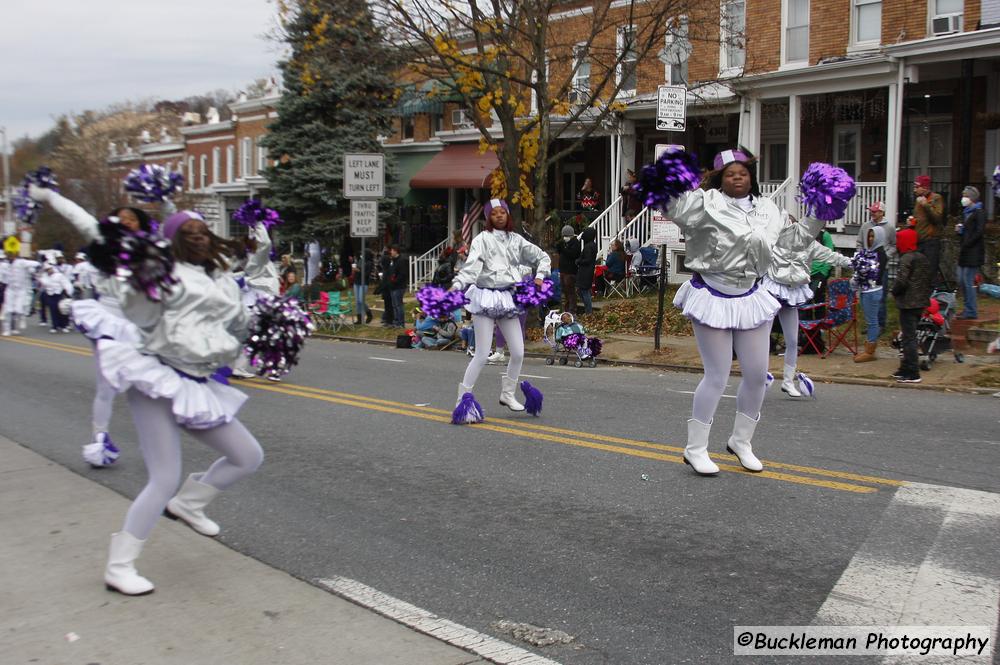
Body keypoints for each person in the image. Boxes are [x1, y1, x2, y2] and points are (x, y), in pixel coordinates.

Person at [102, 210, 265, 595]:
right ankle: (119, 565)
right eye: (188, 233)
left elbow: (240, 325)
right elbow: (136, 312)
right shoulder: (162, 274)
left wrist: (272, 323)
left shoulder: (222, 280)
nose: (199, 238)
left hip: (196, 383)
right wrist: (143, 277)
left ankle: (189, 504)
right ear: (174, 241)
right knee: (163, 478)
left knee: (248, 456)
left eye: (202, 231)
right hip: (157, 381)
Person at [667, 148, 829, 476]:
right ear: (719, 178)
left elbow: (795, 241)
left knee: (757, 376)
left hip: (752, 296)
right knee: (718, 375)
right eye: (729, 173)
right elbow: (674, 208)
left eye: (742, 172)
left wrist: (822, 210)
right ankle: (695, 448)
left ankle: (741, 442)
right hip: (711, 295)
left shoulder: (768, 209)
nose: (737, 177)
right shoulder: (703, 203)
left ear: (751, 176)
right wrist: (669, 176)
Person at [29, 186, 160, 468]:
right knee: (107, 385)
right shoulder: (102, 240)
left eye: (132, 218)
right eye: (120, 217)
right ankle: (99, 439)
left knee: (145, 386)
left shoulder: (153, 251)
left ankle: (157, 442)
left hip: (140, 325)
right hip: (108, 321)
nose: (125, 221)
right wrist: (49, 196)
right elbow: (76, 215)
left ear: (141, 224)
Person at [451, 198, 550, 418]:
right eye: (494, 213)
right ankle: (462, 400)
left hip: (507, 298)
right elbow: (471, 268)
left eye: (502, 212)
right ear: (488, 218)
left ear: (508, 215)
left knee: (518, 352)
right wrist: (456, 286)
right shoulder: (482, 239)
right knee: (483, 353)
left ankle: (508, 393)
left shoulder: (516, 240)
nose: (499, 216)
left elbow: (543, 257)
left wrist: (540, 277)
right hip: (485, 297)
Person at [762, 220, 852, 396]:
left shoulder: (810, 245)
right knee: (763, 338)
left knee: (793, 340)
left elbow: (831, 256)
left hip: (792, 293)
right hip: (771, 290)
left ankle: (788, 381)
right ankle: (760, 376)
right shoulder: (773, 240)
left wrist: (854, 262)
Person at [891, 228, 932, 383]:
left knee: (909, 338)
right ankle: (904, 368)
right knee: (909, 336)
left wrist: (894, 291)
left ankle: (912, 371)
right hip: (920, 302)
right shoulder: (923, 258)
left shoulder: (906, 258)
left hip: (908, 303)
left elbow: (902, 280)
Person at [855, 201, 896, 331]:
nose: (872, 213)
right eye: (871, 211)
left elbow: (894, 245)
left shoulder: (889, 227)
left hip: (881, 267)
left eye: (875, 211)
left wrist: (886, 256)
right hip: (867, 266)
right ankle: (871, 324)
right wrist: (862, 256)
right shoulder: (866, 226)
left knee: (881, 296)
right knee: (866, 295)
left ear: (882, 212)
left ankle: (881, 324)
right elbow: (859, 242)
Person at [852, 226, 889, 363]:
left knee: (872, 321)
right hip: (866, 290)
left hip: (872, 291)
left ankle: (870, 350)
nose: (871, 239)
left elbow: (874, 275)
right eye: (869, 236)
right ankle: (869, 347)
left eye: (873, 236)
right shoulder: (869, 252)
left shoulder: (880, 254)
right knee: (869, 320)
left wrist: (861, 273)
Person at [955, 185, 985, 319]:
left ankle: (971, 310)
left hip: (973, 251)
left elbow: (979, 232)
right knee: (961, 279)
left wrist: (968, 242)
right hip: (964, 251)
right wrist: (960, 230)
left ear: (972, 198)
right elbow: (965, 230)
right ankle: (967, 307)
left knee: (968, 280)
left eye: (966, 196)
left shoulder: (979, 212)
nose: (964, 199)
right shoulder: (966, 212)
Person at [911, 175, 945, 285]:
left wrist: (926, 205)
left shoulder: (936, 198)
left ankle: (931, 299)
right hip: (919, 240)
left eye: (917, 187)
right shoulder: (917, 200)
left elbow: (937, 218)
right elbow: (919, 219)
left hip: (931, 241)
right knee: (918, 271)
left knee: (930, 272)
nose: (914, 189)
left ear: (924, 187)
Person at [0, 251, 40, 336]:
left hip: (21, 290)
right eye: (8, 255)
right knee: (8, 310)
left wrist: (35, 269)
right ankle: (7, 330)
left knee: (18, 309)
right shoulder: (4, 265)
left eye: (11, 255)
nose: (9, 256)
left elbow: (36, 264)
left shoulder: (21, 262)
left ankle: (22, 318)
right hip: (10, 289)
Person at [37, 262, 74, 333]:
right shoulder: (45, 277)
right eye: (47, 270)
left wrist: (68, 292)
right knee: (53, 311)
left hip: (59, 295)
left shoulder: (59, 275)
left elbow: (66, 283)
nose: (49, 271)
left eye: (49, 269)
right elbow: (43, 282)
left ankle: (64, 326)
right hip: (50, 295)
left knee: (61, 310)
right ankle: (55, 326)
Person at [556, 225, 580, 315]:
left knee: (570, 292)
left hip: (570, 272)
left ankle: (572, 310)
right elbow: (561, 253)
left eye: (566, 236)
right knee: (565, 292)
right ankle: (566, 310)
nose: (565, 238)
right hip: (563, 270)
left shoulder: (575, 243)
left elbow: (572, 255)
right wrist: (560, 248)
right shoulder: (565, 244)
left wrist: (563, 249)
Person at [576, 227, 598, 315]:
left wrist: (578, 261)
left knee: (584, 291)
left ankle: (589, 311)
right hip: (588, 271)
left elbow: (587, 260)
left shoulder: (589, 246)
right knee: (583, 290)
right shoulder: (592, 245)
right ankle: (588, 310)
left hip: (585, 271)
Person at [387, 245, 408, 327]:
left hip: (399, 286)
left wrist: (395, 280)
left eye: (392, 250)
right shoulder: (393, 260)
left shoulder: (401, 260)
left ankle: (401, 322)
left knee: (398, 305)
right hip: (393, 286)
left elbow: (403, 274)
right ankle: (396, 321)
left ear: (396, 251)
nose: (390, 252)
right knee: (394, 305)